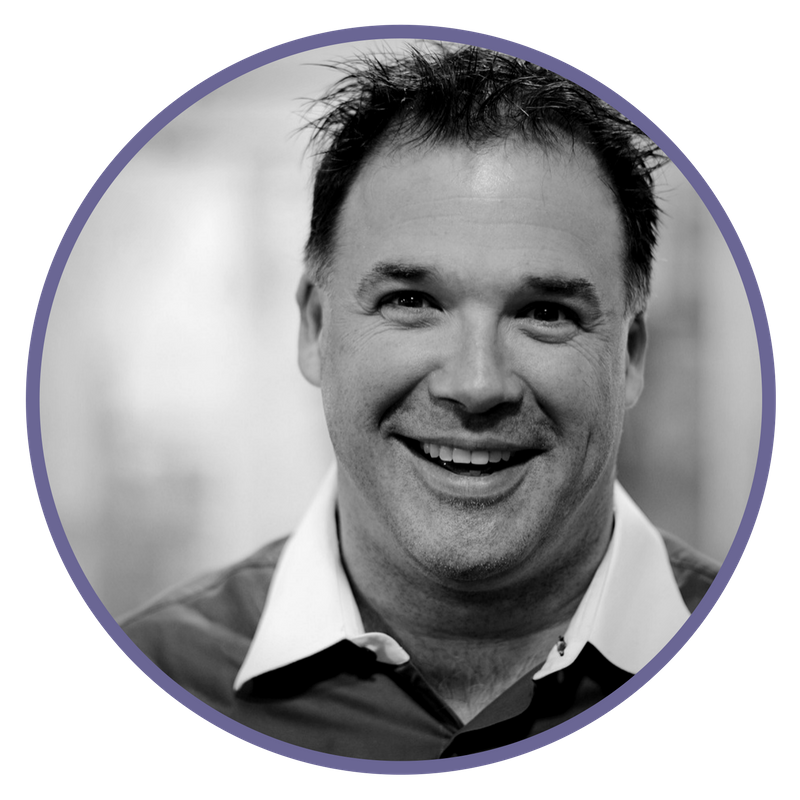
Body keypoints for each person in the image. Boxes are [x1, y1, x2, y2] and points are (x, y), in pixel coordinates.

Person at [121, 43, 720, 761]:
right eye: (411, 301)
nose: (475, 384)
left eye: (547, 312)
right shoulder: (153, 670)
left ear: (627, 357)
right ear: (316, 329)